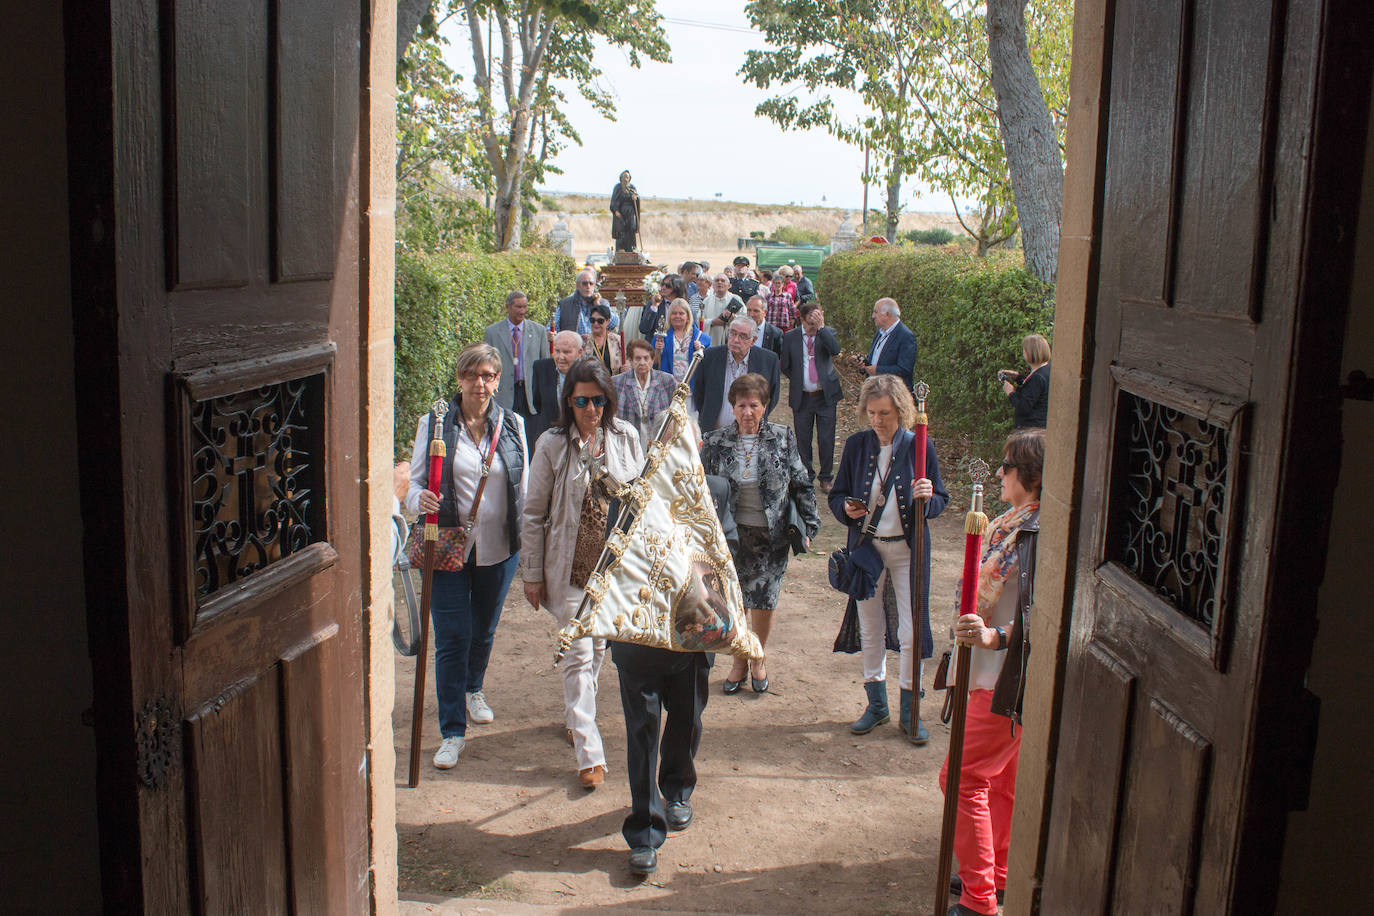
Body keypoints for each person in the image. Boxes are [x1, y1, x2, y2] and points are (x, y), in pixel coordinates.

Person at [521, 358, 644, 790]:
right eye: (581, 401)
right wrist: (532, 574)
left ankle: (577, 716)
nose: (590, 410)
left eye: (597, 400)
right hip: (568, 567)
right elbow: (533, 513)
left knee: (599, 651)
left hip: (613, 569)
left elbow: (641, 505)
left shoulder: (627, 437)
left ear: (608, 399)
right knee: (579, 654)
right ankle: (589, 754)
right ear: (568, 402)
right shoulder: (552, 445)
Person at [406, 343, 528, 770]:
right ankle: (451, 731)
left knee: (484, 630)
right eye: (473, 374)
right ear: (459, 378)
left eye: (489, 375)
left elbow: (523, 488)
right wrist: (415, 497)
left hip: (498, 549)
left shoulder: (512, 424)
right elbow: (414, 480)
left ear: (498, 380)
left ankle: (474, 687)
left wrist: (528, 546)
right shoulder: (435, 423)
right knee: (453, 637)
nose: (481, 383)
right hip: (446, 547)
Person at [941, 429, 1043, 916]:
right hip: (990, 673)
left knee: (961, 779)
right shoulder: (1009, 524)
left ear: (1029, 476)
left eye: (1007, 466)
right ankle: (996, 877)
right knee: (999, 781)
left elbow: (1039, 616)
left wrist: (994, 638)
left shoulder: (1039, 536)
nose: (1000, 473)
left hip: (1005, 679)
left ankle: (981, 901)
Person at [829, 375, 947, 742]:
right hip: (868, 550)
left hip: (908, 551)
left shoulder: (920, 447)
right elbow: (837, 495)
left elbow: (941, 499)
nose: (877, 420)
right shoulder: (856, 445)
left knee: (911, 631)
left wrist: (928, 497)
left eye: (885, 413)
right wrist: (845, 508)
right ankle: (877, 705)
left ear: (902, 411)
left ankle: (910, 711)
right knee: (870, 626)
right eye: (872, 412)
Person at [700, 373, 818, 695]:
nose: (748, 412)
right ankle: (739, 659)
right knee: (735, 601)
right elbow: (700, 489)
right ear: (732, 407)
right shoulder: (714, 442)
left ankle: (758, 656)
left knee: (764, 601)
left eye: (754, 405)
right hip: (731, 537)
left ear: (765, 406)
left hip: (772, 536)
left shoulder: (782, 438)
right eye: (741, 405)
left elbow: (801, 482)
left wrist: (809, 524)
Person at [780, 302, 842, 490]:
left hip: (825, 396)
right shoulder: (790, 337)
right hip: (803, 397)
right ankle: (806, 474)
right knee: (803, 438)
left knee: (826, 438)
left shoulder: (826, 333)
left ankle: (826, 477)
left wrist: (821, 328)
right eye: (810, 324)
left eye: (817, 323)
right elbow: (786, 366)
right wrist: (801, 381)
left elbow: (835, 350)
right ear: (801, 320)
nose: (813, 328)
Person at [483, 290, 550, 450]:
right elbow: (486, 364)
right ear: (507, 307)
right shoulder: (492, 332)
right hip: (504, 394)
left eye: (525, 307)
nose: (522, 311)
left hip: (530, 396)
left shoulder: (538, 331)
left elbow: (545, 364)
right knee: (503, 439)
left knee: (530, 440)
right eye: (518, 307)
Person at [694, 316, 780, 431]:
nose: (735, 340)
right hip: (714, 433)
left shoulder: (768, 361)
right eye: (733, 333)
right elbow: (699, 393)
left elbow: (772, 396)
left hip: (751, 433)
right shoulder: (710, 357)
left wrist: (755, 415)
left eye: (742, 336)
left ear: (753, 340)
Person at [613, 338, 678, 448]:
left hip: (658, 443)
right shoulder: (617, 382)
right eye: (637, 358)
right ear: (630, 360)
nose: (642, 362)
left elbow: (676, 413)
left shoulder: (667, 381)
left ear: (652, 360)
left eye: (646, 358)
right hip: (628, 443)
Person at [530, 330, 584, 445]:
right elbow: (537, 402)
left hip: (579, 436)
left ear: (579, 352)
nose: (560, 357)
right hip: (548, 437)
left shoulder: (588, 372)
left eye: (567, 352)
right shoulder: (541, 368)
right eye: (557, 351)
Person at [863, 297, 917, 390]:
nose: (873, 316)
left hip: (892, 394)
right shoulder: (879, 333)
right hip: (874, 391)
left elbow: (904, 369)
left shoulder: (905, 336)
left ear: (887, 314)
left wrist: (877, 370)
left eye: (876, 312)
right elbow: (877, 359)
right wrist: (865, 366)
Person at [1000, 333, 1051, 429]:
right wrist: (1018, 377)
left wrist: (1010, 393)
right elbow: (1033, 390)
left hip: (1031, 431)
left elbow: (1023, 408)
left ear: (1030, 352)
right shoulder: (1046, 370)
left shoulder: (1038, 378)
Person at [654, 299, 710, 386]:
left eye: (681, 313)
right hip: (667, 388)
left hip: (691, 389)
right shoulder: (660, 337)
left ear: (688, 316)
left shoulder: (701, 338)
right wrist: (658, 350)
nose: (677, 316)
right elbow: (653, 364)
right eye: (674, 313)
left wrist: (701, 350)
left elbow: (709, 364)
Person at [551, 269, 618, 337]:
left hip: (596, 346)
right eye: (584, 283)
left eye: (591, 283)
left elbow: (613, 323)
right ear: (577, 285)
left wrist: (599, 307)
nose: (588, 286)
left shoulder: (602, 303)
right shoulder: (565, 304)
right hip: (573, 345)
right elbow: (552, 329)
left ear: (594, 286)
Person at [701, 273, 745, 347]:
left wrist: (734, 318)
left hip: (732, 339)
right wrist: (712, 322)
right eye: (717, 280)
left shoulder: (736, 299)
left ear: (729, 285)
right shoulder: (706, 301)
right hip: (713, 339)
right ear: (713, 285)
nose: (719, 282)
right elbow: (700, 321)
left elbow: (745, 318)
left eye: (723, 280)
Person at [582, 302, 624, 374]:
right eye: (592, 320)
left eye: (600, 321)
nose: (596, 324)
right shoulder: (584, 341)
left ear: (607, 321)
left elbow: (624, 363)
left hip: (613, 382)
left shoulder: (617, 340)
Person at [611, 170, 639, 252]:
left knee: (631, 230)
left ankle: (632, 248)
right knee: (621, 231)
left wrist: (636, 198)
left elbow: (637, 199)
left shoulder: (632, 188)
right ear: (621, 178)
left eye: (627, 177)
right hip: (621, 213)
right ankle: (621, 248)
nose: (625, 179)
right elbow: (614, 201)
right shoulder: (618, 187)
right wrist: (616, 211)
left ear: (629, 178)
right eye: (624, 177)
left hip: (630, 214)